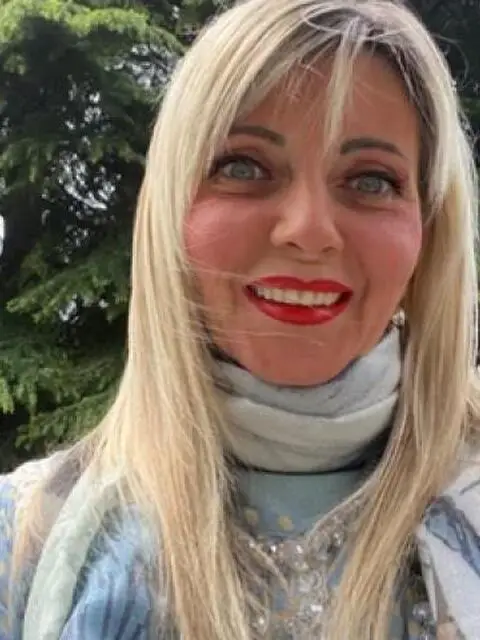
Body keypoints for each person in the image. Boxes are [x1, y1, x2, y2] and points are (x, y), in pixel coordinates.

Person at [1, 0, 479, 638]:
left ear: (428, 232)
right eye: (243, 167)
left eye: (370, 181)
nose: (309, 229)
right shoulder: (21, 539)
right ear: (173, 209)